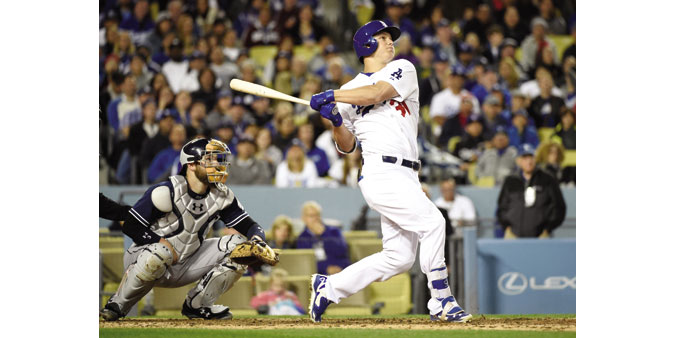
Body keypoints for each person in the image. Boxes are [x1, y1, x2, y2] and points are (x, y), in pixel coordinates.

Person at [306, 21, 471, 323]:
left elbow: (375, 93)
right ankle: (441, 300)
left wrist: (332, 96)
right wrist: (336, 122)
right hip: (381, 172)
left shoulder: (403, 69)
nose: (389, 42)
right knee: (434, 222)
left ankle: (330, 287)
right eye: (381, 38)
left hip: (407, 174)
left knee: (398, 258)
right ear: (366, 45)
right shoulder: (346, 91)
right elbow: (346, 146)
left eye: (389, 37)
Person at [100, 138, 275, 321]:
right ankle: (117, 304)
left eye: (218, 159)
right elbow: (131, 225)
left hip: (187, 262)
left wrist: (258, 241)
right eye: (210, 160)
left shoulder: (222, 196)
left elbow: (250, 225)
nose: (216, 164)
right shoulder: (166, 190)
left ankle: (197, 306)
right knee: (161, 252)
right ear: (191, 165)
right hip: (145, 258)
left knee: (240, 246)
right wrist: (159, 241)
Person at [497, 144, 566, 238]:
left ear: (536, 159)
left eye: (531, 157)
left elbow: (559, 207)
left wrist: (547, 229)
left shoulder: (548, 180)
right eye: (525, 158)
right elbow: (502, 207)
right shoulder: (510, 181)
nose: (528, 161)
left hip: (541, 236)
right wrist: (507, 227)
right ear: (518, 161)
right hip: (513, 235)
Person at [295, 201, 350, 276]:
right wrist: (326, 268)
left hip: (341, 270)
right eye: (311, 216)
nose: (315, 219)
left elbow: (341, 251)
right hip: (320, 274)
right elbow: (306, 261)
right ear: (304, 218)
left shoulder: (334, 231)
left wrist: (324, 234)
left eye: (317, 215)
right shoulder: (302, 238)